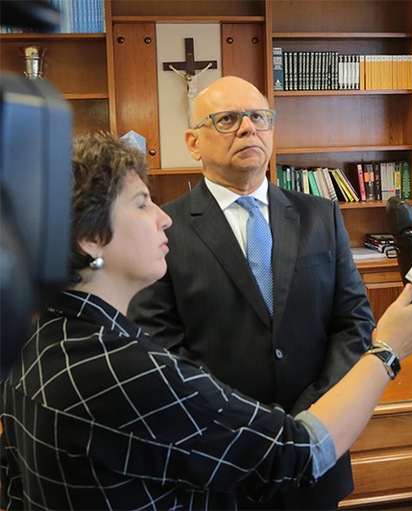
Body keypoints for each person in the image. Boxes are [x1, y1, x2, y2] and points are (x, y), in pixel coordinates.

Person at [0, 132, 412, 509]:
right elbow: (299, 451)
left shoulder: (35, 338)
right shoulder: (123, 369)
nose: (163, 218)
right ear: (91, 238)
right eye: (141, 204)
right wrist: (387, 350)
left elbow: (15, 486)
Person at [128, 76, 374, 509]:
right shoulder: (164, 229)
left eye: (259, 117)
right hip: (219, 465)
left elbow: (353, 323)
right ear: (193, 143)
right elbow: (161, 351)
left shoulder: (321, 215)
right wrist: (252, 429)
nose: (248, 128)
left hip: (316, 454)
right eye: (228, 119)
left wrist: (309, 417)